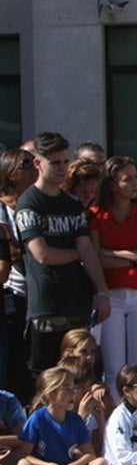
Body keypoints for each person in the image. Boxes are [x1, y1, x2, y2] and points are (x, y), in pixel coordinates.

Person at [15, 132, 110, 377]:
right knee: (46, 379)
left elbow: (88, 249)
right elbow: (42, 254)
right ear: (38, 163)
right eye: (55, 162)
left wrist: (101, 291)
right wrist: (78, 253)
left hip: (77, 303)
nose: (62, 168)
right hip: (47, 307)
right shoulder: (29, 203)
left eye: (65, 161)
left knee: (81, 376)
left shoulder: (72, 204)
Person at [89, 155, 137, 400]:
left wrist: (116, 255)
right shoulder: (97, 214)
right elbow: (95, 257)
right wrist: (134, 257)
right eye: (127, 179)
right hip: (111, 295)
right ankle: (114, 425)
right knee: (114, 369)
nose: (135, 183)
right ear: (112, 184)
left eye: (136, 178)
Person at [16, 366, 112, 465]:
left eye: (73, 389)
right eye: (66, 389)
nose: (72, 393)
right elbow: (25, 454)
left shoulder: (76, 420)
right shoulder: (37, 418)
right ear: (51, 394)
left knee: (101, 464)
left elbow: (90, 455)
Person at [0, 147, 35, 400]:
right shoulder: (2, 209)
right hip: (11, 292)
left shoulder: (38, 203)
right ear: (10, 172)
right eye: (26, 164)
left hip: (35, 291)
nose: (34, 167)